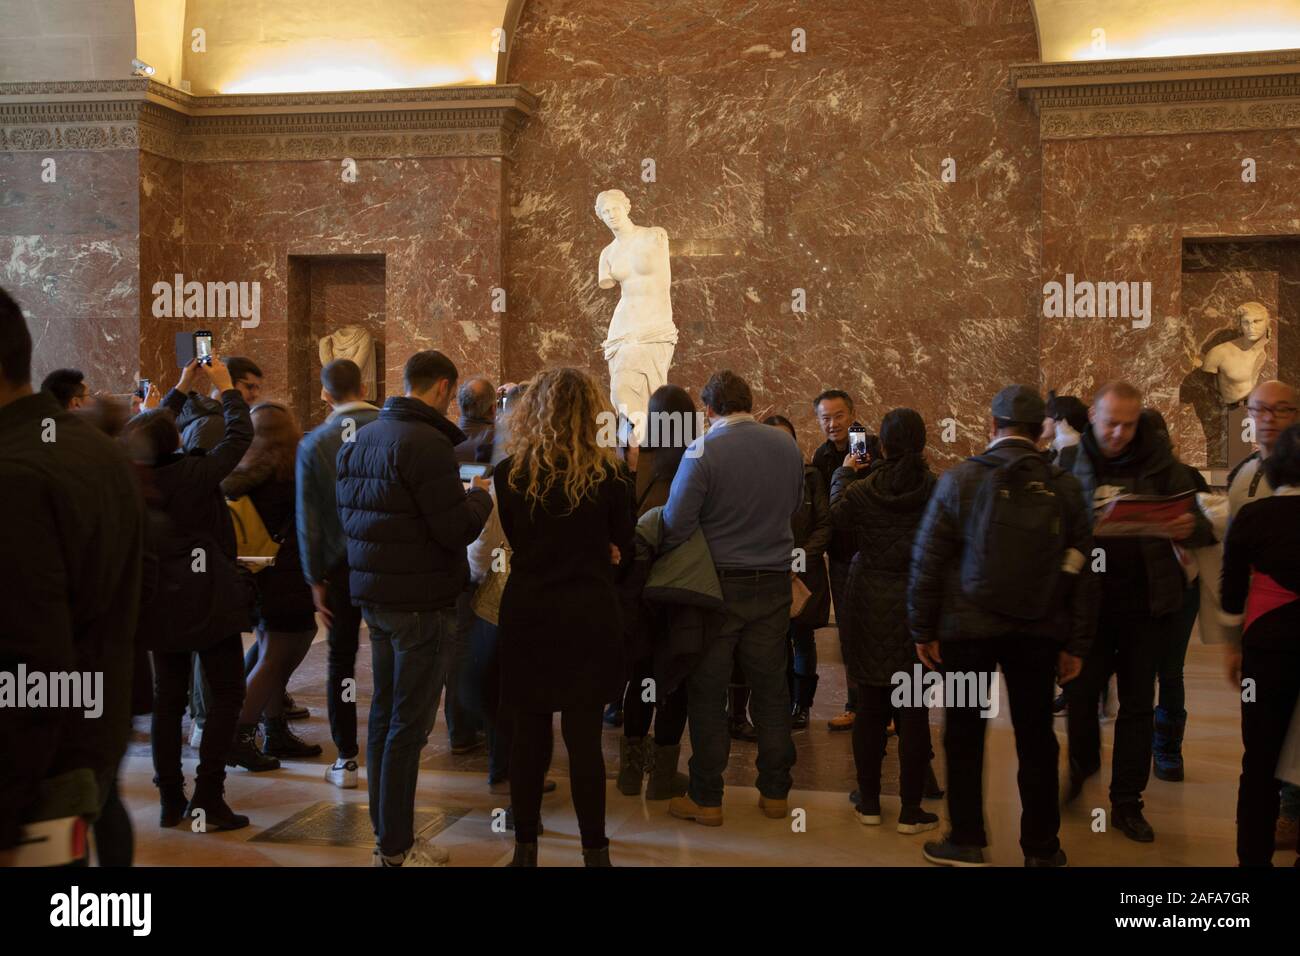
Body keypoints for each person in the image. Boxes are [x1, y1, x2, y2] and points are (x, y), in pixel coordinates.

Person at [909, 385, 1096, 866]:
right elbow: (1084, 568)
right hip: (1037, 630)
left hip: (966, 631)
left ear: (990, 426)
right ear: (1040, 432)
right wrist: (1075, 641)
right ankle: (1041, 849)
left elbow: (929, 561)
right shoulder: (1064, 486)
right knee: (1036, 737)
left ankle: (967, 839)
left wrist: (922, 628)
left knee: (965, 734)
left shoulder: (960, 480)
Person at [0, 287, 144, 864]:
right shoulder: (96, 450)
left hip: (32, 777)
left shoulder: (15, 474)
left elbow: (25, 660)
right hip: (91, 737)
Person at [337, 350, 492, 867]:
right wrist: (480, 498)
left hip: (376, 596)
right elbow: (454, 529)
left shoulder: (361, 435)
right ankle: (397, 847)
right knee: (408, 726)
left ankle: (387, 836)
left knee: (384, 716)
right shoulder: (426, 443)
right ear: (444, 387)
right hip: (422, 603)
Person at [491, 368, 633, 865]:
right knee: (585, 742)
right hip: (588, 612)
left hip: (529, 610)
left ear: (535, 410)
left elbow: (517, 538)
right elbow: (625, 547)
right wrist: (606, 553)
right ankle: (595, 850)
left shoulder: (510, 474)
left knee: (527, 738)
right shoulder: (612, 476)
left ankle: (525, 848)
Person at [1066, 381, 1213, 842]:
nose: (1120, 433)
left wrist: (1190, 525)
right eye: (1112, 423)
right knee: (1080, 698)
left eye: (1129, 424)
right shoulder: (1068, 464)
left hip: (1145, 607)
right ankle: (1083, 764)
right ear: (1093, 416)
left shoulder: (1162, 464)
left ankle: (1127, 802)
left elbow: (1203, 525)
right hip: (1087, 608)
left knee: (1136, 706)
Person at [665, 370, 804, 827]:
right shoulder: (785, 445)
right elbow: (794, 505)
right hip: (774, 580)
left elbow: (677, 523)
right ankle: (776, 794)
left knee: (708, 691)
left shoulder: (703, 448)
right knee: (771, 688)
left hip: (717, 586)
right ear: (751, 401)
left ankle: (707, 797)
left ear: (708, 409)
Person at [134, 355, 254, 830]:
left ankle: (169, 798)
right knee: (226, 693)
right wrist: (225, 389)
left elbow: (145, 431)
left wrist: (181, 387)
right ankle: (208, 796)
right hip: (208, 598)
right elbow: (239, 437)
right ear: (178, 437)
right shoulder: (196, 473)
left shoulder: (132, 476)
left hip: (159, 600)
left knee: (169, 698)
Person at [830, 408, 939, 834]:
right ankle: (911, 812)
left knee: (871, 708)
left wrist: (844, 474)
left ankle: (870, 804)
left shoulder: (863, 489)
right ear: (923, 442)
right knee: (913, 712)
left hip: (868, 601)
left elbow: (836, 522)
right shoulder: (935, 489)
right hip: (916, 604)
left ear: (882, 446)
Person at [222, 402, 321, 768]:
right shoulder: (291, 473)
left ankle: (275, 730)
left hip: (258, 575)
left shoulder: (244, 471)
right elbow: (307, 528)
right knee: (277, 658)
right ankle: (239, 735)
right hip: (287, 577)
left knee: (271, 652)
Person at [296, 358, 380, 788]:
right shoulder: (389, 428)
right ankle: (393, 748)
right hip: (387, 562)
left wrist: (314, 579)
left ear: (325, 393)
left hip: (340, 566)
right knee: (391, 656)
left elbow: (307, 518)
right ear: (363, 385)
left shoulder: (314, 444)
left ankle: (347, 756)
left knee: (342, 661)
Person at [1225, 379, 1300, 851]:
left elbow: (1231, 592)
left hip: (1266, 648)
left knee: (1259, 759)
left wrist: (1234, 645)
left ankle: (1252, 860)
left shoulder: (1253, 517)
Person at [617, 385, 699, 797]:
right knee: (674, 680)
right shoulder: (697, 460)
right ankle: (663, 777)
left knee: (641, 678)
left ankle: (630, 774)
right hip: (682, 589)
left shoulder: (637, 462)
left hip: (641, 591)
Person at [1140, 409, 1209, 783]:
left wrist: (1189, 527)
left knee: (1169, 670)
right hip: (1139, 588)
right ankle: (1146, 746)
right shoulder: (1128, 477)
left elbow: (1209, 532)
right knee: (1145, 672)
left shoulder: (1189, 477)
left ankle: (1167, 749)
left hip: (1182, 586)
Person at [811, 389, 879, 732]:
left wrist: (854, 471)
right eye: (825, 418)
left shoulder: (873, 447)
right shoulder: (821, 456)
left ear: (852, 415)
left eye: (838, 416)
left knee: (877, 630)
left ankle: (885, 709)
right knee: (849, 634)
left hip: (872, 555)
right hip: (839, 556)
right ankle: (855, 705)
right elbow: (826, 508)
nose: (832, 424)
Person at [765, 414, 830, 728]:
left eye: (785, 437)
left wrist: (799, 560)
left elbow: (824, 524)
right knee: (774, 641)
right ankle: (780, 701)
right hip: (768, 570)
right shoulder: (755, 478)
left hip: (805, 571)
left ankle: (801, 706)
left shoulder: (811, 476)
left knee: (803, 638)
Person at [1042, 391, 1088, 471]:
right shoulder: (1051, 454)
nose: (1042, 422)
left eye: (1046, 417)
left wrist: (1065, 447)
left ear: (1062, 421)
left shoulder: (1081, 458)